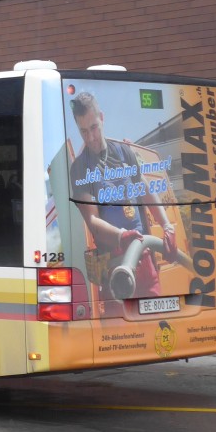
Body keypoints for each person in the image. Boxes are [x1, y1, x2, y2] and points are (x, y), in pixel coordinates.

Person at [69, 91, 176, 297]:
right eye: (83, 132)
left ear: (102, 118)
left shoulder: (124, 152)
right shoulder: (80, 168)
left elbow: (145, 190)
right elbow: (92, 219)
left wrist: (168, 227)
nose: (90, 137)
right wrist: (121, 236)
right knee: (121, 330)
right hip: (115, 272)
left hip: (145, 262)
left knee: (158, 324)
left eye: (94, 128)